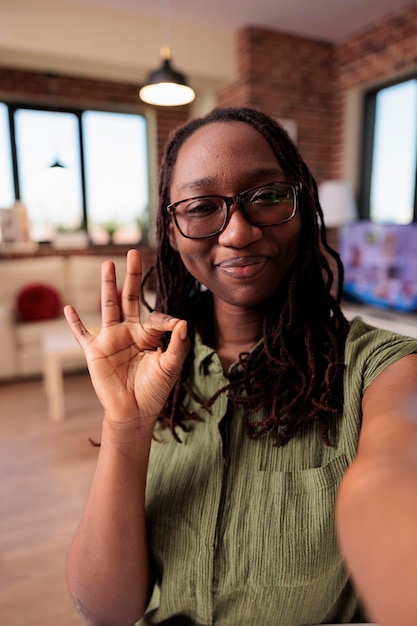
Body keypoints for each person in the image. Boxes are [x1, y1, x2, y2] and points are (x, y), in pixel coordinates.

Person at [64, 106, 417, 626]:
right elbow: (105, 612)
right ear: (173, 228)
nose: (237, 233)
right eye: (203, 206)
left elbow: (393, 478)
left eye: (268, 195)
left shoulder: (380, 369)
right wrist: (125, 427)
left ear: (303, 204)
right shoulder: (153, 368)